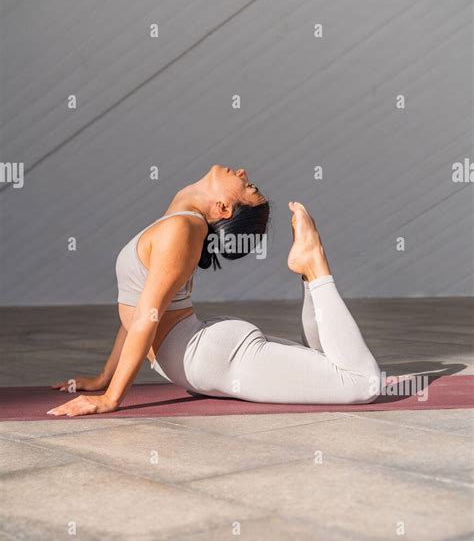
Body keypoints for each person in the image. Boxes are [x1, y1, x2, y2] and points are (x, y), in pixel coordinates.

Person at [49, 165, 381, 416]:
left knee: (362, 383)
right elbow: (137, 311)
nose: (242, 172)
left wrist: (110, 399)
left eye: (247, 186)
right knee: (331, 364)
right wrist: (104, 377)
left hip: (208, 358)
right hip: (205, 354)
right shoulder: (176, 224)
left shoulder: (182, 228)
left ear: (223, 208)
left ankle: (315, 264)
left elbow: (146, 320)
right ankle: (309, 275)